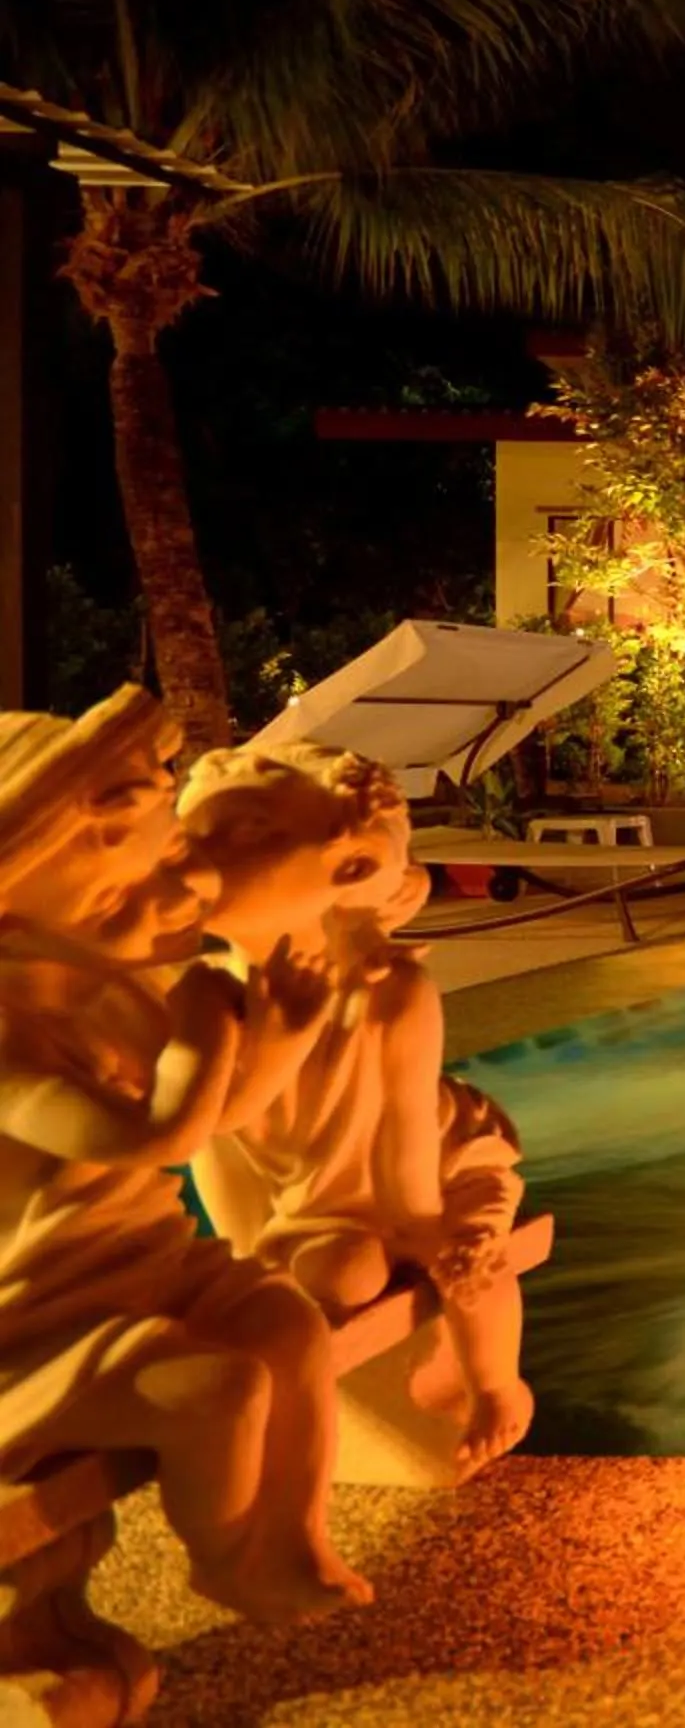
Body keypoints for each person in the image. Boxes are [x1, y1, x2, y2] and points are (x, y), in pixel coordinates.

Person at [0, 689, 368, 1620]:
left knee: (289, 1325)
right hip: (37, 1320)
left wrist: (280, 1038)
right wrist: (202, 1033)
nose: (178, 895)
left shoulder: (109, 989)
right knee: (221, 1391)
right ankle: (226, 1558)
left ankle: (288, 1537)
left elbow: (217, 1117)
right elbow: (149, 1137)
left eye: (163, 862)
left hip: (139, 1268)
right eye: (121, 894)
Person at [178, 742, 533, 1479]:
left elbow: (406, 1156)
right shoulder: (211, 994)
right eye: (192, 832)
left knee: (469, 1260)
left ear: (348, 868)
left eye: (239, 833)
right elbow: (209, 1142)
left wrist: (433, 1239)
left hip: (431, 1167)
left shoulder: (390, 994)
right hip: (299, 1205)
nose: (193, 855)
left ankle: (499, 1387)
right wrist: (249, 1260)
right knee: (331, 1277)